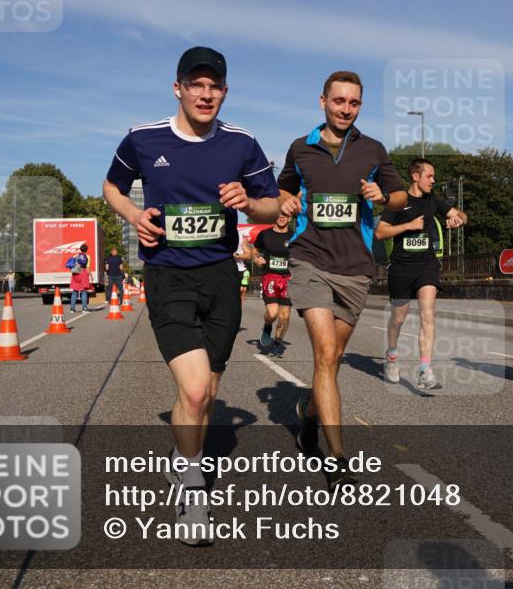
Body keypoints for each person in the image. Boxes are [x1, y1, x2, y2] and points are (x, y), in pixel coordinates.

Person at [103, 46, 279, 545]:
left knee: (206, 393)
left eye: (215, 86)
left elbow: (271, 206)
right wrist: (133, 216)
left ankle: (184, 459)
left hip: (222, 276)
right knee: (197, 389)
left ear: (224, 91)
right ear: (177, 88)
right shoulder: (143, 138)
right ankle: (192, 489)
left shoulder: (242, 143)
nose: (206, 94)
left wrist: (251, 202)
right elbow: (112, 187)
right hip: (168, 275)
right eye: (196, 85)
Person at [278, 70, 407, 488]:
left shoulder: (373, 149)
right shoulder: (301, 148)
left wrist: (383, 196)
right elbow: (281, 190)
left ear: (359, 106)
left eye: (353, 103)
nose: (345, 109)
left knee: (330, 362)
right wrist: (288, 200)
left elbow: (402, 195)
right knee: (325, 349)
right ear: (323, 102)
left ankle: (308, 416)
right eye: (339, 101)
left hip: (355, 268)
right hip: (309, 259)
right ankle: (337, 459)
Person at [374, 158, 466, 389]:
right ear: (416, 177)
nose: (433, 180)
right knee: (398, 318)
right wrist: (408, 226)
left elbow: (462, 215)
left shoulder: (433, 200)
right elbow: (380, 233)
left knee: (428, 314)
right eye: (429, 176)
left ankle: (425, 369)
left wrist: (458, 220)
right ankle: (392, 356)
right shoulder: (399, 202)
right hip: (401, 267)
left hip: (426, 265)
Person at [252, 209, 294, 354]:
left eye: (286, 215)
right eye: (279, 214)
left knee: (285, 316)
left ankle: (277, 342)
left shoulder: (295, 235)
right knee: (272, 313)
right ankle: (267, 326)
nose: (282, 217)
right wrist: (256, 258)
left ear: (290, 218)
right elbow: (255, 249)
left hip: (289, 279)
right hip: (270, 276)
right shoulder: (265, 234)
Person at [69, 246, 90, 312]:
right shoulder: (87, 257)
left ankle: (72, 309)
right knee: (83, 291)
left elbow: (71, 264)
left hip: (75, 273)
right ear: (86, 250)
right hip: (83, 272)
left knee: (75, 291)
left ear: (80, 249)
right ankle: (84, 308)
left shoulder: (75, 255)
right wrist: (90, 275)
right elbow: (87, 267)